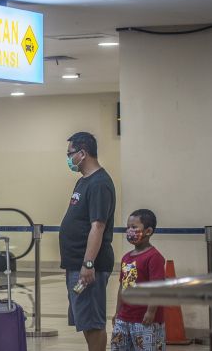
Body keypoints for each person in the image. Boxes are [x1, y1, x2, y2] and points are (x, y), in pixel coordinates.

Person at [60, 131, 116, 351]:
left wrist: (88, 263)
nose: (68, 158)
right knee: (83, 317)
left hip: (89, 267)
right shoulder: (83, 182)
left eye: (70, 153)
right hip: (76, 265)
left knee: (93, 321)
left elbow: (98, 226)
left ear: (82, 153)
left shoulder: (100, 183)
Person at [111, 209, 166, 351]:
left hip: (145, 320)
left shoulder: (154, 257)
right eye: (128, 227)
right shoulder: (126, 257)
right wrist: (118, 312)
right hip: (124, 318)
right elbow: (122, 286)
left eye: (134, 227)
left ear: (148, 231)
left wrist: (151, 312)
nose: (129, 230)